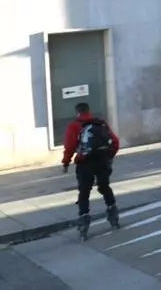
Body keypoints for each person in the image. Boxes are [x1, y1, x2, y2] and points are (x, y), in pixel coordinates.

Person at [61, 102, 120, 239]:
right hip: (102, 160)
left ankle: (84, 219)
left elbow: (69, 146)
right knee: (105, 187)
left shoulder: (74, 125)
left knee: (84, 191)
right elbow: (115, 142)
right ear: (89, 111)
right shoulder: (100, 123)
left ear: (77, 112)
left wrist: (66, 162)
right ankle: (113, 212)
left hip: (85, 162)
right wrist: (109, 156)